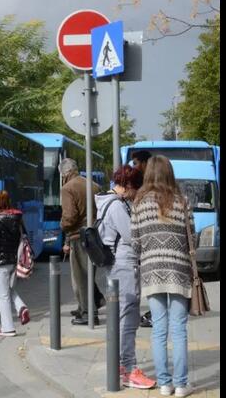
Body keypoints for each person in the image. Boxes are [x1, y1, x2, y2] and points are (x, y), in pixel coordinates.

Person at [131, 155, 196, 397]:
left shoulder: (139, 202)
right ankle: (181, 385)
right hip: (179, 271)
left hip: (151, 271)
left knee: (159, 328)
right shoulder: (182, 201)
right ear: (169, 173)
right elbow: (194, 240)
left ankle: (164, 384)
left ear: (148, 174)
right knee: (178, 329)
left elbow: (135, 242)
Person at [94, 165, 155, 389]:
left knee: (122, 316)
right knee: (128, 317)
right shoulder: (117, 206)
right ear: (129, 185)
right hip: (124, 264)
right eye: (136, 188)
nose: (137, 193)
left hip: (117, 265)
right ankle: (129, 369)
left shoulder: (107, 201)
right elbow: (132, 236)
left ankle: (121, 365)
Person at [59, 158, 103, 325]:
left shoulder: (67, 188)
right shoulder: (93, 185)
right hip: (94, 235)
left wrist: (61, 225)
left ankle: (88, 313)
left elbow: (69, 218)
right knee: (88, 273)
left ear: (65, 173)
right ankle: (89, 304)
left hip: (79, 236)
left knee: (81, 276)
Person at [0, 190, 30, 337]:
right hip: (15, 262)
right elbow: (24, 238)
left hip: (1, 264)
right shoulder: (18, 218)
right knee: (8, 290)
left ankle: (7, 328)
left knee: (3, 296)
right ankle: (21, 307)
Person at [129, 150, 153, 328]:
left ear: (145, 163)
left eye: (136, 163)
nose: (134, 167)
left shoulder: (148, 184)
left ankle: (154, 314)